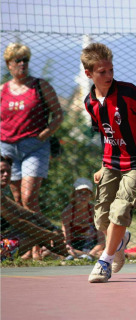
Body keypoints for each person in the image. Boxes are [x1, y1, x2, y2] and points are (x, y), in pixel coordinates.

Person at [80, 43, 136, 283]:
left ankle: (104, 261)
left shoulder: (128, 93)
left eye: (111, 70)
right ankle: (120, 242)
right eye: (102, 72)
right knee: (102, 217)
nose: (108, 76)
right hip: (110, 163)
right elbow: (106, 134)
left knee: (121, 209)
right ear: (89, 74)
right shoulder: (89, 102)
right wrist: (103, 165)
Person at [0, 43, 64, 213]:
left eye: (26, 60)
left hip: (34, 147)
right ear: (9, 64)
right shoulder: (3, 90)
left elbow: (58, 114)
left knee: (28, 198)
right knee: (18, 200)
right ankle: (27, 238)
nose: (23, 64)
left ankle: (48, 236)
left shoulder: (40, 86)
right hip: (7, 149)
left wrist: (44, 135)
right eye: (18, 60)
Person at [1, 155, 68, 259]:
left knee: (37, 226)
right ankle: (65, 256)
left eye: (8, 171)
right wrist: (51, 235)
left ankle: (66, 256)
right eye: (1, 171)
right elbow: (19, 222)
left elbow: (27, 213)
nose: (6, 175)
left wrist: (53, 228)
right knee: (36, 234)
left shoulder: (2, 196)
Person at [61, 178, 105, 261]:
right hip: (75, 246)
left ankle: (82, 256)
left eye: (86, 193)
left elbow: (101, 241)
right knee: (62, 250)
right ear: (73, 195)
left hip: (92, 245)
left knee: (106, 252)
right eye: (79, 193)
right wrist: (68, 247)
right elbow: (66, 240)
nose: (83, 196)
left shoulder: (95, 211)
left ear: (91, 196)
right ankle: (80, 255)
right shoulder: (67, 212)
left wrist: (91, 254)